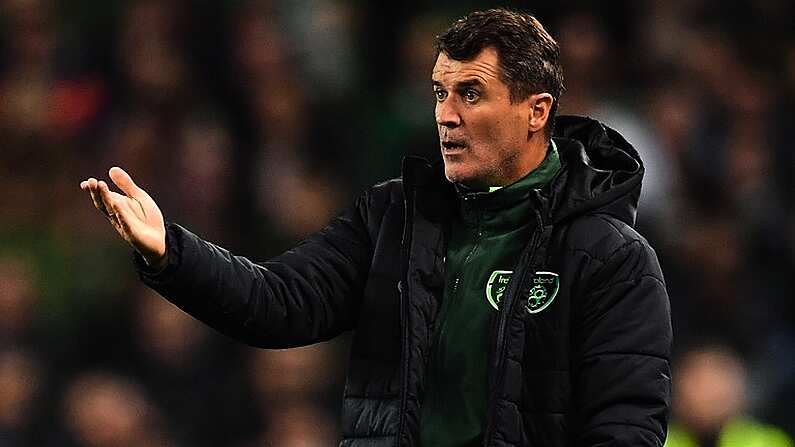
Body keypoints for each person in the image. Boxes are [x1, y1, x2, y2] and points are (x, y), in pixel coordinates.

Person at [80, 8, 672, 447]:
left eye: (471, 93)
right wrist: (171, 252)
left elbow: (624, 429)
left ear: (537, 111)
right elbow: (279, 301)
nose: (445, 114)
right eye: (439, 93)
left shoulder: (609, 257)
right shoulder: (395, 219)